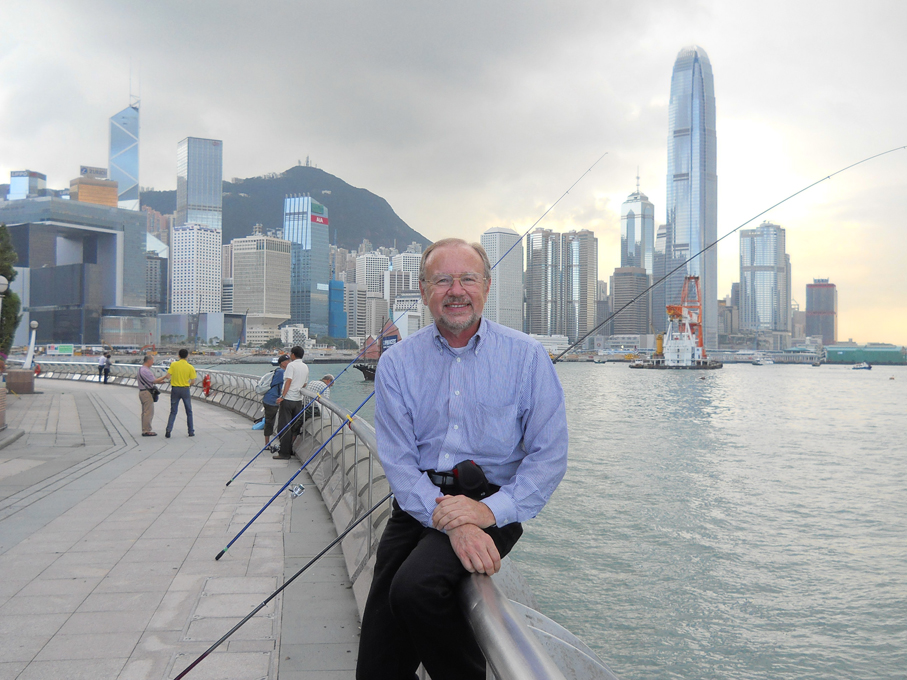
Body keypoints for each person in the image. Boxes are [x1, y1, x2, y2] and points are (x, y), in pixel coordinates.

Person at [356, 238, 568, 680]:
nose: (456, 290)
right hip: (418, 503)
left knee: (417, 588)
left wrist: (486, 511)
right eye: (442, 280)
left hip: (492, 502)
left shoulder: (526, 356)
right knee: (378, 663)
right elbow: (398, 462)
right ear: (423, 289)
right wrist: (452, 518)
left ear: (487, 287)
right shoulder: (397, 364)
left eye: (468, 278)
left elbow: (549, 456)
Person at [274, 345, 309, 459]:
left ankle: (284, 453)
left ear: (293, 355)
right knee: (294, 427)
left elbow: (288, 381)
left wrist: (282, 396)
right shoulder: (305, 367)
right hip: (298, 400)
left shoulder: (291, 366)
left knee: (284, 426)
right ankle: (291, 450)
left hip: (288, 399)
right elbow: (304, 384)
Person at [161, 348, 197, 438]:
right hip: (185, 389)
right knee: (188, 411)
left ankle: (168, 430)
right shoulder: (190, 367)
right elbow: (193, 381)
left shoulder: (173, 365)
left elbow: (168, 376)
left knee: (173, 411)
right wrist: (187, 384)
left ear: (178, 356)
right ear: (187, 356)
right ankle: (190, 431)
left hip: (175, 389)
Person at [262, 354, 290, 450]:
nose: (289, 363)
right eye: (288, 361)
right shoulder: (282, 372)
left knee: (269, 421)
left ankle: (267, 443)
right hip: (272, 400)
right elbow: (285, 387)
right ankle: (267, 444)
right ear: (282, 363)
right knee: (270, 422)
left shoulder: (278, 371)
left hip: (268, 398)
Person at [137, 354, 166, 436]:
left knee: (145, 412)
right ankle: (146, 430)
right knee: (148, 412)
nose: (153, 362)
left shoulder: (141, 369)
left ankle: (144, 429)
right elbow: (154, 381)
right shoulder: (145, 370)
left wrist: (159, 381)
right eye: (152, 361)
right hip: (146, 393)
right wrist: (165, 377)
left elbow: (150, 381)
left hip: (142, 392)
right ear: (149, 361)